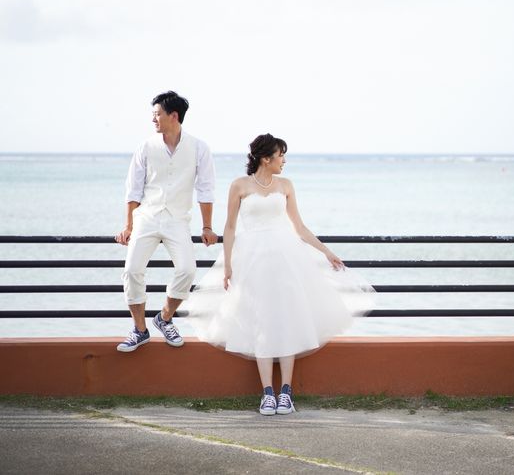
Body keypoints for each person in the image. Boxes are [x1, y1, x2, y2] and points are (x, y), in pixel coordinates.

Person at [186, 133, 375, 415]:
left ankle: (286, 392)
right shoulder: (239, 185)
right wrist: (227, 265)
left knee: (287, 318)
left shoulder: (286, 185)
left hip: (286, 258)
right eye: (281, 155)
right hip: (252, 260)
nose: (284, 161)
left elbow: (299, 227)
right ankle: (267, 394)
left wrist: (326, 251)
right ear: (266, 158)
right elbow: (230, 227)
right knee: (259, 319)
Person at [115, 91, 218, 353]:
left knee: (187, 270)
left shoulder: (199, 148)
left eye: (157, 114)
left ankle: (165, 317)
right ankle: (140, 330)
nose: (153, 119)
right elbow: (133, 189)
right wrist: (128, 226)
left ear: (173, 116)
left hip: (177, 220)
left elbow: (206, 189)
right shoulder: (146, 147)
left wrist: (207, 227)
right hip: (146, 218)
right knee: (132, 271)